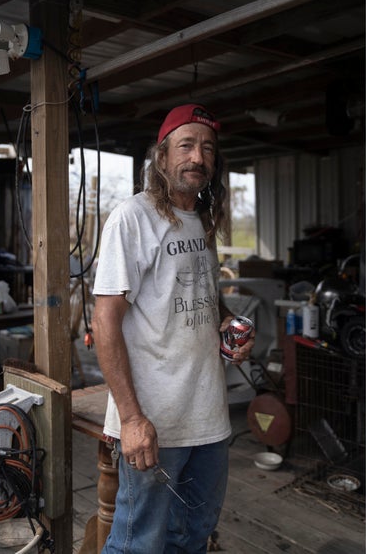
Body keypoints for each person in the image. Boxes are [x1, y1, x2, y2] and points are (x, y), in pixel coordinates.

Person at [92, 103, 253, 552]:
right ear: (162, 157)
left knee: (193, 537)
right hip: (154, 421)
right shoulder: (133, 217)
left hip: (208, 417)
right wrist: (131, 419)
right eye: (185, 146)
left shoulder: (202, 221)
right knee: (137, 543)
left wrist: (225, 321)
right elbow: (104, 319)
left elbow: (199, 293)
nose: (197, 157)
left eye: (207, 148)